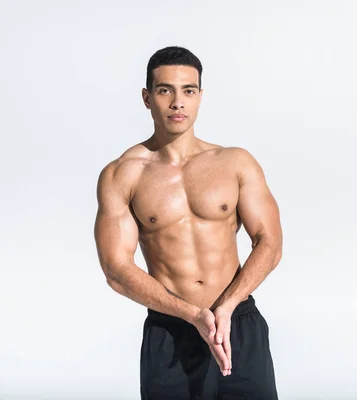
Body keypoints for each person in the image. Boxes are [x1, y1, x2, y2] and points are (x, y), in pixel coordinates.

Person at [93, 46, 283, 399]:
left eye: (188, 91)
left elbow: (269, 244)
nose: (178, 102)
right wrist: (192, 314)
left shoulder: (236, 163)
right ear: (147, 98)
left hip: (238, 324)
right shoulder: (122, 174)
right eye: (165, 90)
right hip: (171, 330)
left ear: (200, 97)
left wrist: (225, 307)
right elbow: (115, 268)